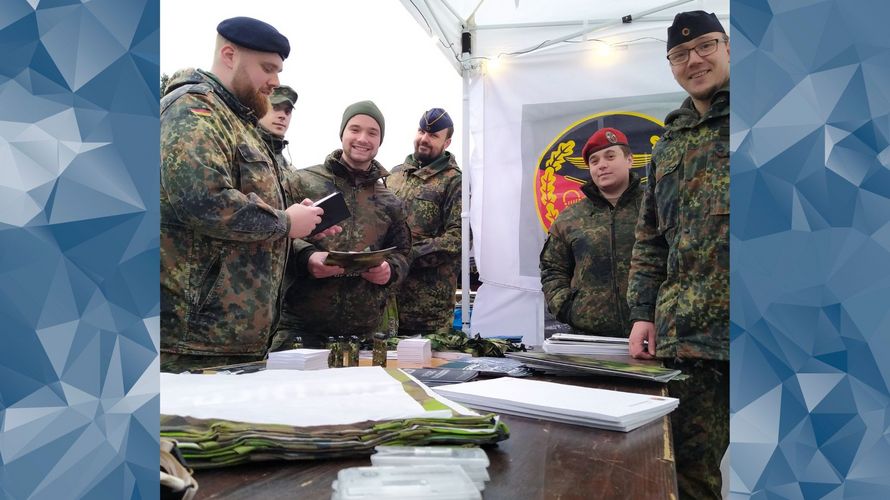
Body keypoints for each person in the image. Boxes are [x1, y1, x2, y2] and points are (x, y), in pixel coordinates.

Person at [159, 17, 326, 372]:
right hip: (195, 341)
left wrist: (299, 226)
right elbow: (202, 200)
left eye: (279, 70)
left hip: (234, 338)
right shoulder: (195, 109)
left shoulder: (240, 123)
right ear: (230, 55)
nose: (275, 82)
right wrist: (284, 222)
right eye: (267, 68)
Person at [626, 10, 730, 499]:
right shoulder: (667, 146)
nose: (694, 60)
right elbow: (650, 240)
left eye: (705, 46)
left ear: (728, 47)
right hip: (687, 336)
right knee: (688, 474)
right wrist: (643, 314)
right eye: (680, 54)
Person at [272, 101, 412, 348]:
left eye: (372, 132)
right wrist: (307, 257)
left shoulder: (390, 201)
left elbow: (402, 252)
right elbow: (275, 234)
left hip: (363, 336)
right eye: (355, 129)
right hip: (299, 331)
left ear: (380, 141)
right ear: (342, 134)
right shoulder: (302, 182)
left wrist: (389, 271)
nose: (362, 138)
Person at [539, 127, 643, 337]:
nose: (602, 165)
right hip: (588, 336)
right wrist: (568, 309)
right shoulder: (570, 217)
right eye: (594, 161)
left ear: (629, 160)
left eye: (610, 156)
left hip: (651, 334)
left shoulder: (655, 207)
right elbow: (552, 268)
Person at [387, 108, 462, 336]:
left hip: (427, 310)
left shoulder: (455, 181)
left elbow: (457, 239)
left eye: (433, 135)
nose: (424, 139)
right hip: (386, 304)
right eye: (421, 131)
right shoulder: (395, 175)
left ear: (447, 142)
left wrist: (407, 254)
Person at [258, 84, 298, 168]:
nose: (283, 116)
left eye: (287, 111)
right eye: (275, 108)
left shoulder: (290, 170)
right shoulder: (237, 145)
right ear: (260, 107)